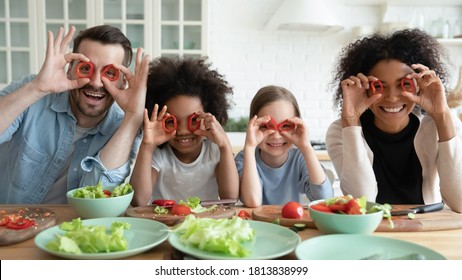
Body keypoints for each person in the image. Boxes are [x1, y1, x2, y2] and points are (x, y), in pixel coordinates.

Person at [0, 25, 150, 204]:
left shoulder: (123, 127)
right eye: (86, 68)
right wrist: (37, 88)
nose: (96, 83)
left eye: (109, 73)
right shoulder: (31, 91)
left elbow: (97, 200)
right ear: (70, 68)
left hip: (71, 231)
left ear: (122, 81)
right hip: (11, 227)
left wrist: (133, 116)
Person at [326, 28, 462, 212]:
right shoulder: (340, 132)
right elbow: (360, 202)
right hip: (371, 230)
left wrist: (442, 116)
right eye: (379, 86)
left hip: (427, 227)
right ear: (364, 88)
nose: (391, 97)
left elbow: (459, 202)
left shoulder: (443, 125)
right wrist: (350, 121)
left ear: (419, 86)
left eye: (404, 84)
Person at [130, 56, 239, 206]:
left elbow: (230, 199)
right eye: (171, 121)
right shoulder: (159, 155)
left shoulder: (214, 151)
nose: (182, 131)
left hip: (205, 224)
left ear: (210, 116)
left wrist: (225, 146)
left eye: (193, 120)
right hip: (165, 224)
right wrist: (147, 147)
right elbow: (138, 201)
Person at [235, 85, 333, 207]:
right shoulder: (244, 158)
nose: (276, 136)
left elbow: (325, 200)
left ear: (297, 126)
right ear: (253, 126)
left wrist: (306, 148)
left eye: (286, 126)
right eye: (266, 126)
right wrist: (249, 148)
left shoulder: (300, 158)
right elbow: (252, 201)